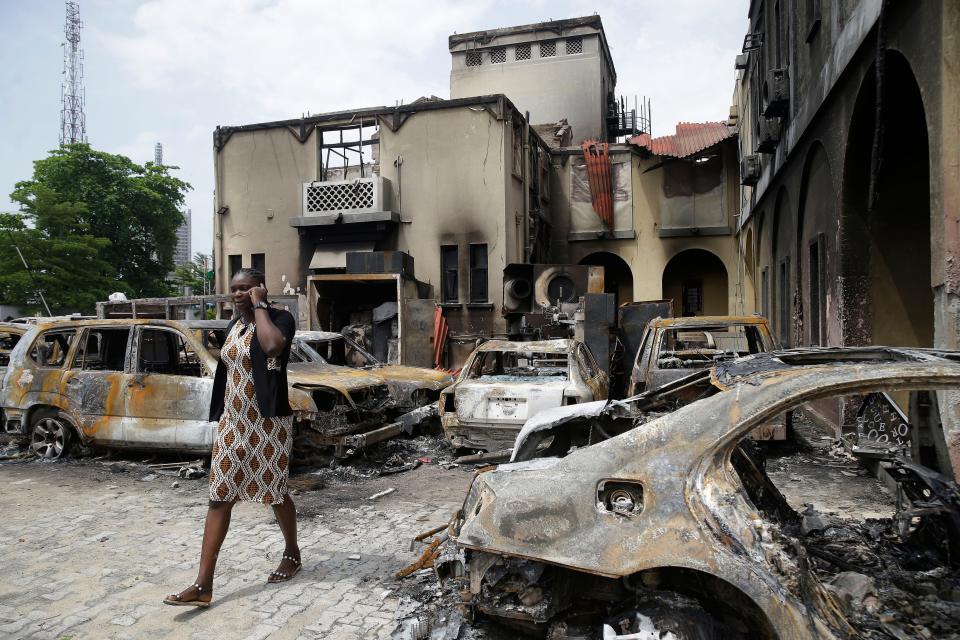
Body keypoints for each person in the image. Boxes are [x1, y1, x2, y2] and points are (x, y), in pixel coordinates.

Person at [164, 268, 301, 607]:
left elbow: (271, 348)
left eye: (246, 288)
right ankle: (202, 585)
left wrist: (260, 306)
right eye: (235, 289)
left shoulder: (280, 319)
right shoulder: (233, 325)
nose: (238, 293)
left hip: (268, 423)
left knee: (274, 492)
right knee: (219, 496)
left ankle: (292, 554)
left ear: (260, 289)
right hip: (233, 423)